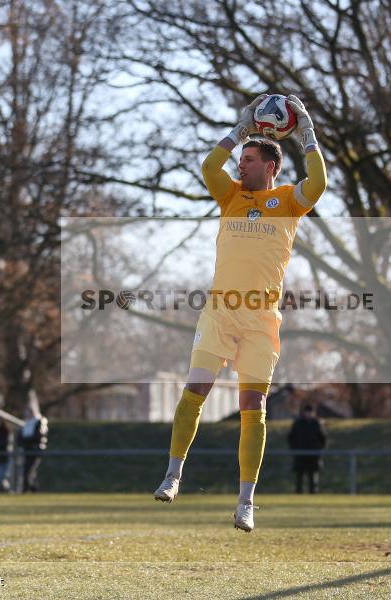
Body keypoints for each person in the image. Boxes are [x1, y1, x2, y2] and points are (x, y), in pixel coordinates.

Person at [153, 93, 327, 532]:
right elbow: (210, 166)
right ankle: (173, 476)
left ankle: (245, 502)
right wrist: (240, 129)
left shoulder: (289, 201)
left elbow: (318, 183)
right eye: (240, 158)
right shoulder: (229, 196)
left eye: (247, 159)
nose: (239, 165)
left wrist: (306, 132)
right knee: (195, 391)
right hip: (220, 311)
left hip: (261, 318)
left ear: (269, 166)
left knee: (254, 406)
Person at [287, 404, 327, 494]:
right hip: (300, 454)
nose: (308, 414)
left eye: (310, 412)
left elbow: (323, 438)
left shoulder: (316, 423)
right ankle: (298, 493)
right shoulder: (298, 423)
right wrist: (294, 449)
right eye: (307, 412)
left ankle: (313, 493)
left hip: (313, 455)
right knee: (299, 475)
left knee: (313, 476)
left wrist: (320, 450)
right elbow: (291, 437)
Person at [18, 398, 48, 492]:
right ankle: (33, 489)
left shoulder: (39, 421)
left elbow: (38, 436)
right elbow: (20, 438)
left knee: (29, 470)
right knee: (30, 471)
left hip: (35, 449)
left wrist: (26, 440)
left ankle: (26, 489)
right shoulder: (26, 423)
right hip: (27, 450)